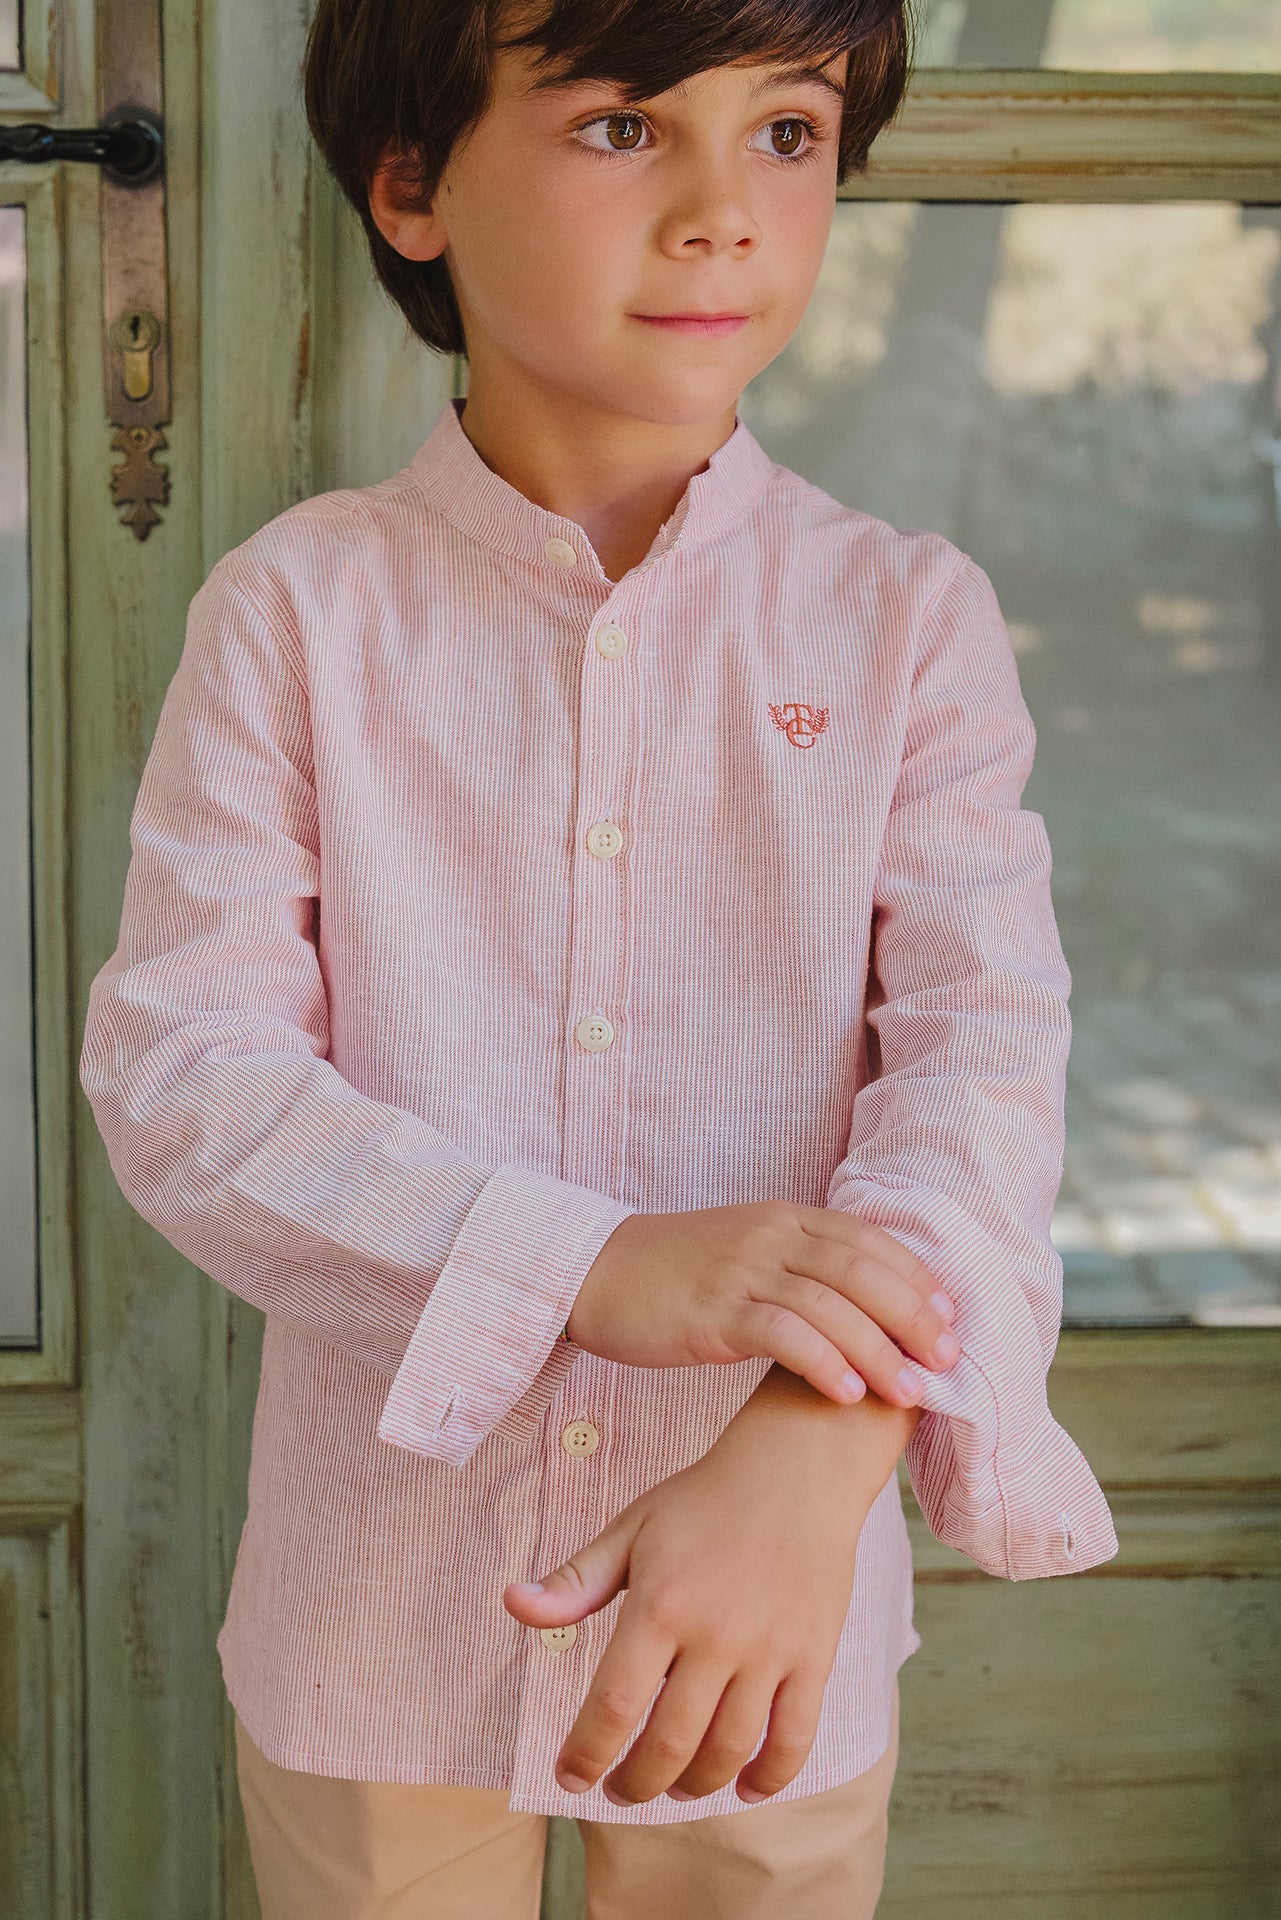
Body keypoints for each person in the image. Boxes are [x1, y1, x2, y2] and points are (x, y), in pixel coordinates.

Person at [77, 0, 1119, 1913]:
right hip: (378, 1622)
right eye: (626, 125)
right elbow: (187, 1080)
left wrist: (818, 1446)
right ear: (411, 187)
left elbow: (980, 1075)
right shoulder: (297, 615)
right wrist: (588, 1265)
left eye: (787, 133)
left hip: (775, 1632)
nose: (726, 208)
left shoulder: (906, 624)